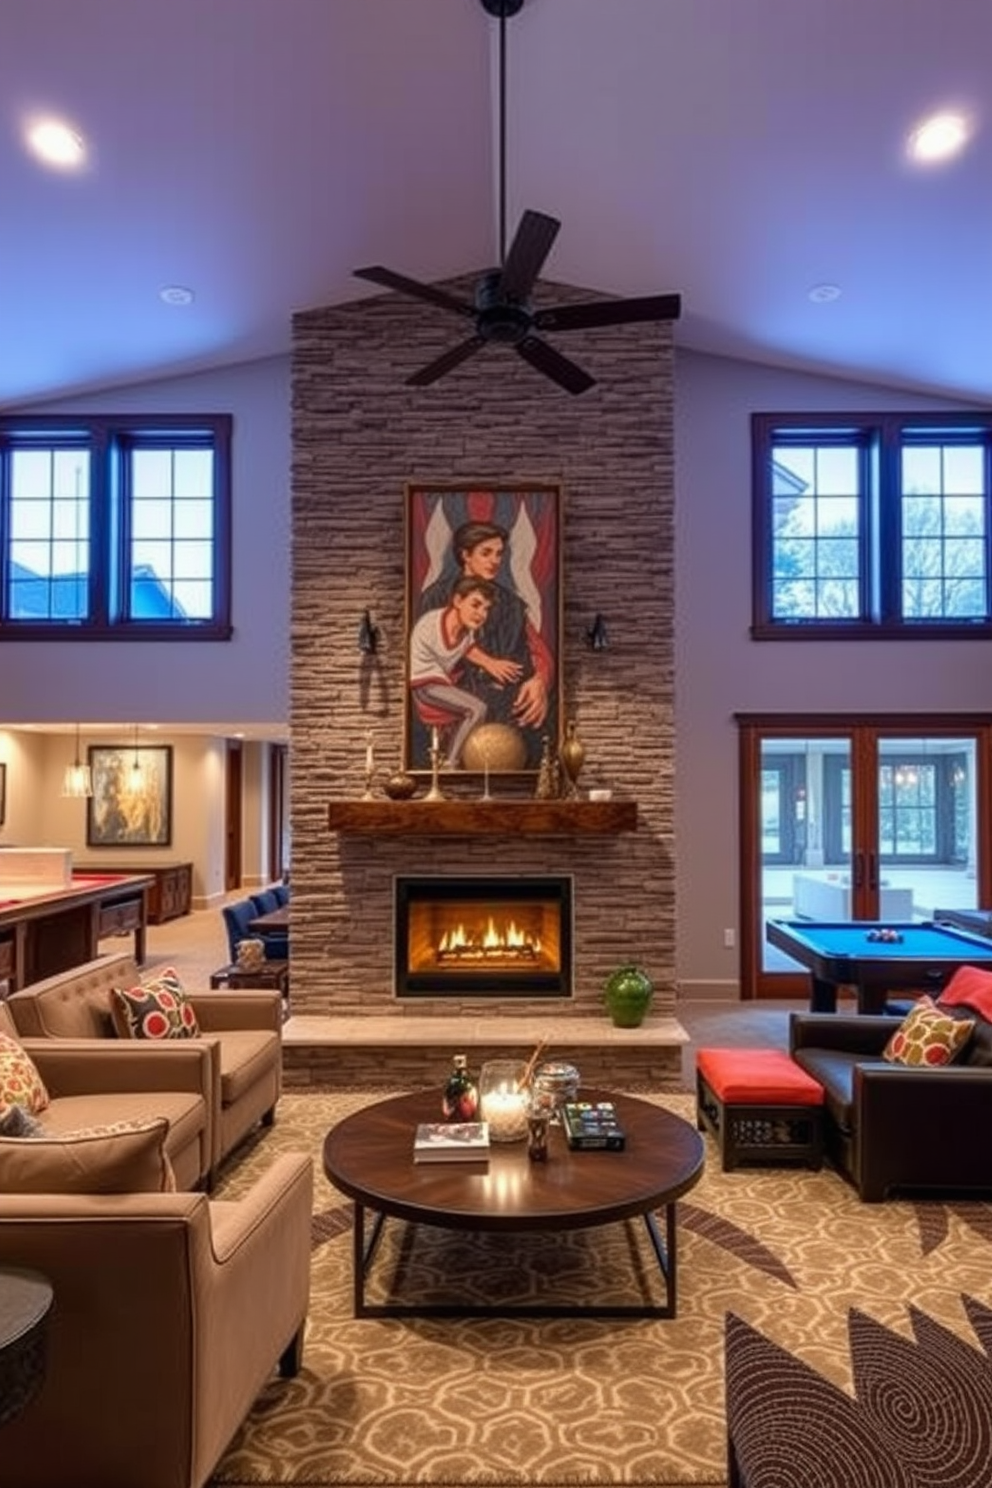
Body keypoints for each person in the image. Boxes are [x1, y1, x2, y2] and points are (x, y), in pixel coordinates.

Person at [418, 520, 554, 768]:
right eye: (486, 553)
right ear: (465, 555)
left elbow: (537, 650)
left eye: (499, 554)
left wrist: (540, 681)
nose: (495, 560)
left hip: (506, 706)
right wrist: (485, 662)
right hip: (453, 701)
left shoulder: (512, 604)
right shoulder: (435, 597)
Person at [409, 576, 500, 767]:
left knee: (491, 699)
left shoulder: (467, 632)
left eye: (486, 609)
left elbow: (468, 649)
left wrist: (491, 664)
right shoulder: (430, 624)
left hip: (441, 683)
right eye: (476, 605)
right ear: (458, 601)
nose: (481, 614)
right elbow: (424, 670)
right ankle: (451, 763)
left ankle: (455, 759)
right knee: (478, 709)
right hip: (424, 684)